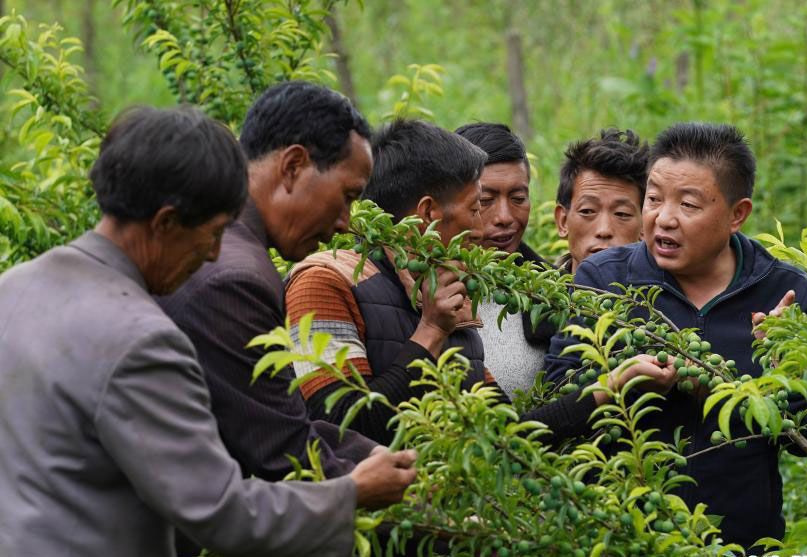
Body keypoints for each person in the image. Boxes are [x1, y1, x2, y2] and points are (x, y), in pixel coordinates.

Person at [0, 107, 416, 557]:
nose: (215, 253)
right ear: (165, 222)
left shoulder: (13, 288)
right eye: (215, 233)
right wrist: (350, 492)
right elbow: (220, 513)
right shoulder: (141, 341)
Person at [543, 122, 807, 549]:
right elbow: (554, 400)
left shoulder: (786, 292)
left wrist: (783, 367)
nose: (663, 218)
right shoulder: (603, 279)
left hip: (742, 541)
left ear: (738, 214)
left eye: (688, 205)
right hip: (620, 535)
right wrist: (618, 386)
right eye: (654, 199)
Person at [286, 119, 599, 447]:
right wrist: (431, 332)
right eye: (476, 207)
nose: (482, 228)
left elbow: (503, 437)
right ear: (428, 213)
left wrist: (607, 394)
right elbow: (339, 429)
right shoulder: (323, 282)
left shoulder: (444, 292)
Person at [156, 81, 386, 489]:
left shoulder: (221, 248)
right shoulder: (236, 277)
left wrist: (366, 453)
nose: (345, 223)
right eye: (348, 196)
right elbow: (280, 453)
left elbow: (268, 415)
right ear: (293, 166)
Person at [455, 122, 555, 395]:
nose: (505, 217)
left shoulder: (553, 293)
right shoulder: (414, 289)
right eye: (485, 200)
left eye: (518, 198)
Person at [554, 128, 647, 274]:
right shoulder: (530, 293)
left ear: (644, 227)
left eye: (622, 214)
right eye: (587, 211)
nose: (604, 230)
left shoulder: (664, 295)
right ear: (563, 221)